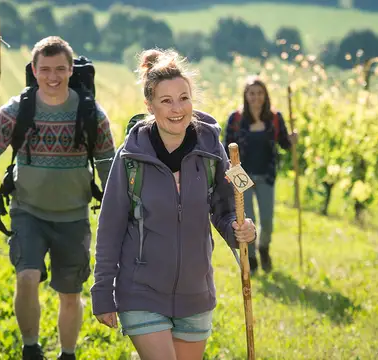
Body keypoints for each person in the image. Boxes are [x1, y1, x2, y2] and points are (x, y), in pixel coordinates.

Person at [90, 48, 257, 360]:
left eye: (184, 98)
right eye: (166, 101)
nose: (177, 108)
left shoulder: (211, 150)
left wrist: (241, 230)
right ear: (149, 105)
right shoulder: (130, 157)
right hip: (141, 291)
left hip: (195, 293)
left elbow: (225, 210)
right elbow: (110, 227)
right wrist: (102, 292)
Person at [0, 36, 115, 360]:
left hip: (73, 215)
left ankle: (67, 353)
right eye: (45, 69)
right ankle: (31, 348)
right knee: (27, 277)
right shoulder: (18, 109)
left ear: (70, 68)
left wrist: (119, 209)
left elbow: (107, 164)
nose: (52, 77)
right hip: (27, 211)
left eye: (60, 69)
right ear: (34, 70)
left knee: (70, 292)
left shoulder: (90, 113)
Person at [223, 76, 298, 275]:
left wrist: (291, 140)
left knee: (267, 221)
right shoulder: (236, 119)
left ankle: (264, 248)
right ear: (246, 96)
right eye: (252, 93)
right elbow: (225, 150)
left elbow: (284, 143)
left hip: (267, 175)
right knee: (248, 220)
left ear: (265, 96)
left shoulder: (274, 118)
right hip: (242, 178)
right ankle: (253, 257)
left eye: (259, 93)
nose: (256, 97)